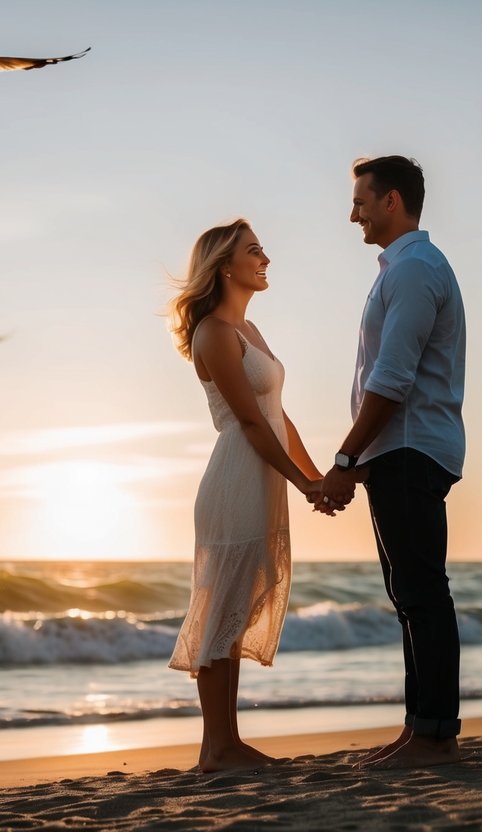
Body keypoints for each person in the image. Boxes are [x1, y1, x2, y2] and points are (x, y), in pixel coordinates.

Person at [317, 156, 466, 769]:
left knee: (422, 595)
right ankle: (420, 729)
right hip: (396, 450)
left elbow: (393, 378)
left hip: (409, 447)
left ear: (391, 201)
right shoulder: (400, 269)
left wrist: (346, 457)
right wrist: (360, 459)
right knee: (408, 595)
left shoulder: (415, 270)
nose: (352, 213)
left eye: (360, 201)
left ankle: (435, 737)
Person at [168, 218, 328, 772]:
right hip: (237, 478)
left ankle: (227, 744)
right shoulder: (213, 332)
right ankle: (216, 748)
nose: (265, 258)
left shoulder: (251, 330)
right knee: (221, 611)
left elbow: (278, 417)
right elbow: (251, 425)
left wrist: (320, 476)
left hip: (264, 477)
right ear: (224, 266)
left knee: (235, 611)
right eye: (254, 250)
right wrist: (304, 483)